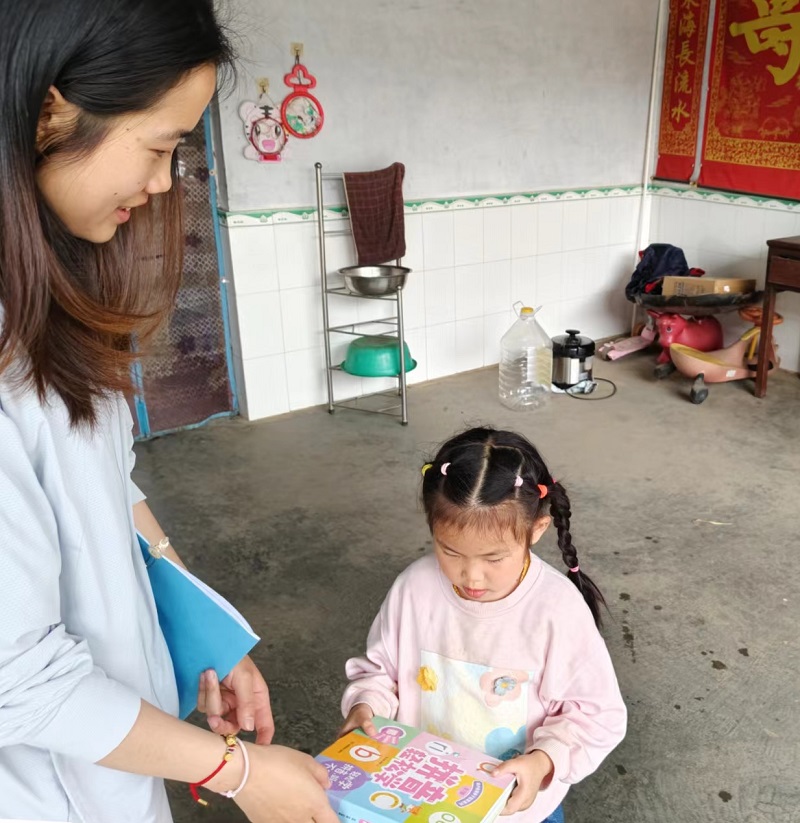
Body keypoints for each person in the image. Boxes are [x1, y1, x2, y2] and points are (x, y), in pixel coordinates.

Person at [0, 2, 336, 821]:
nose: (162, 182)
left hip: (111, 761)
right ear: (50, 112)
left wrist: (199, 637)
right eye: (158, 147)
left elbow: (104, 488)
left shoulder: (49, 295)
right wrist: (237, 771)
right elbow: (16, 679)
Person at [340, 427, 627, 822]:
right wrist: (366, 705)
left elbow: (597, 715)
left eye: (494, 558)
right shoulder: (414, 588)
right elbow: (381, 673)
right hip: (422, 794)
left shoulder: (556, 609)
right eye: (450, 551)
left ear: (536, 530)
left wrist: (543, 760)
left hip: (517, 809)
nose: (472, 576)